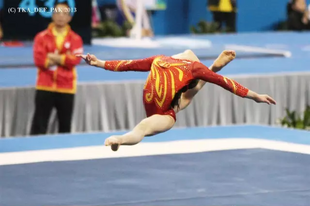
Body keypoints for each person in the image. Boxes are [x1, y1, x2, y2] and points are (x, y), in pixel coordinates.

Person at [78, 50, 276, 151]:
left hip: (164, 114)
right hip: (170, 101)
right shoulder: (166, 61)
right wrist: (99, 63)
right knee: (189, 95)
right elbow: (127, 65)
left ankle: (120, 139)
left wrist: (254, 95)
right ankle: (214, 66)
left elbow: (127, 65)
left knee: (144, 126)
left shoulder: (164, 60)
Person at [31, 2, 83, 135]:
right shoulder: (41, 37)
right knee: (39, 126)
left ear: (69, 18)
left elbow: (75, 60)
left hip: (66, 86)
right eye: (58, 12)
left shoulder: (76, 39)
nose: (61, 16)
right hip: (45, 86)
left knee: (65, 127)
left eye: (64, 13)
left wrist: (53, 57)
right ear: (52, 15)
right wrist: (64, 58)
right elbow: (40, 61)